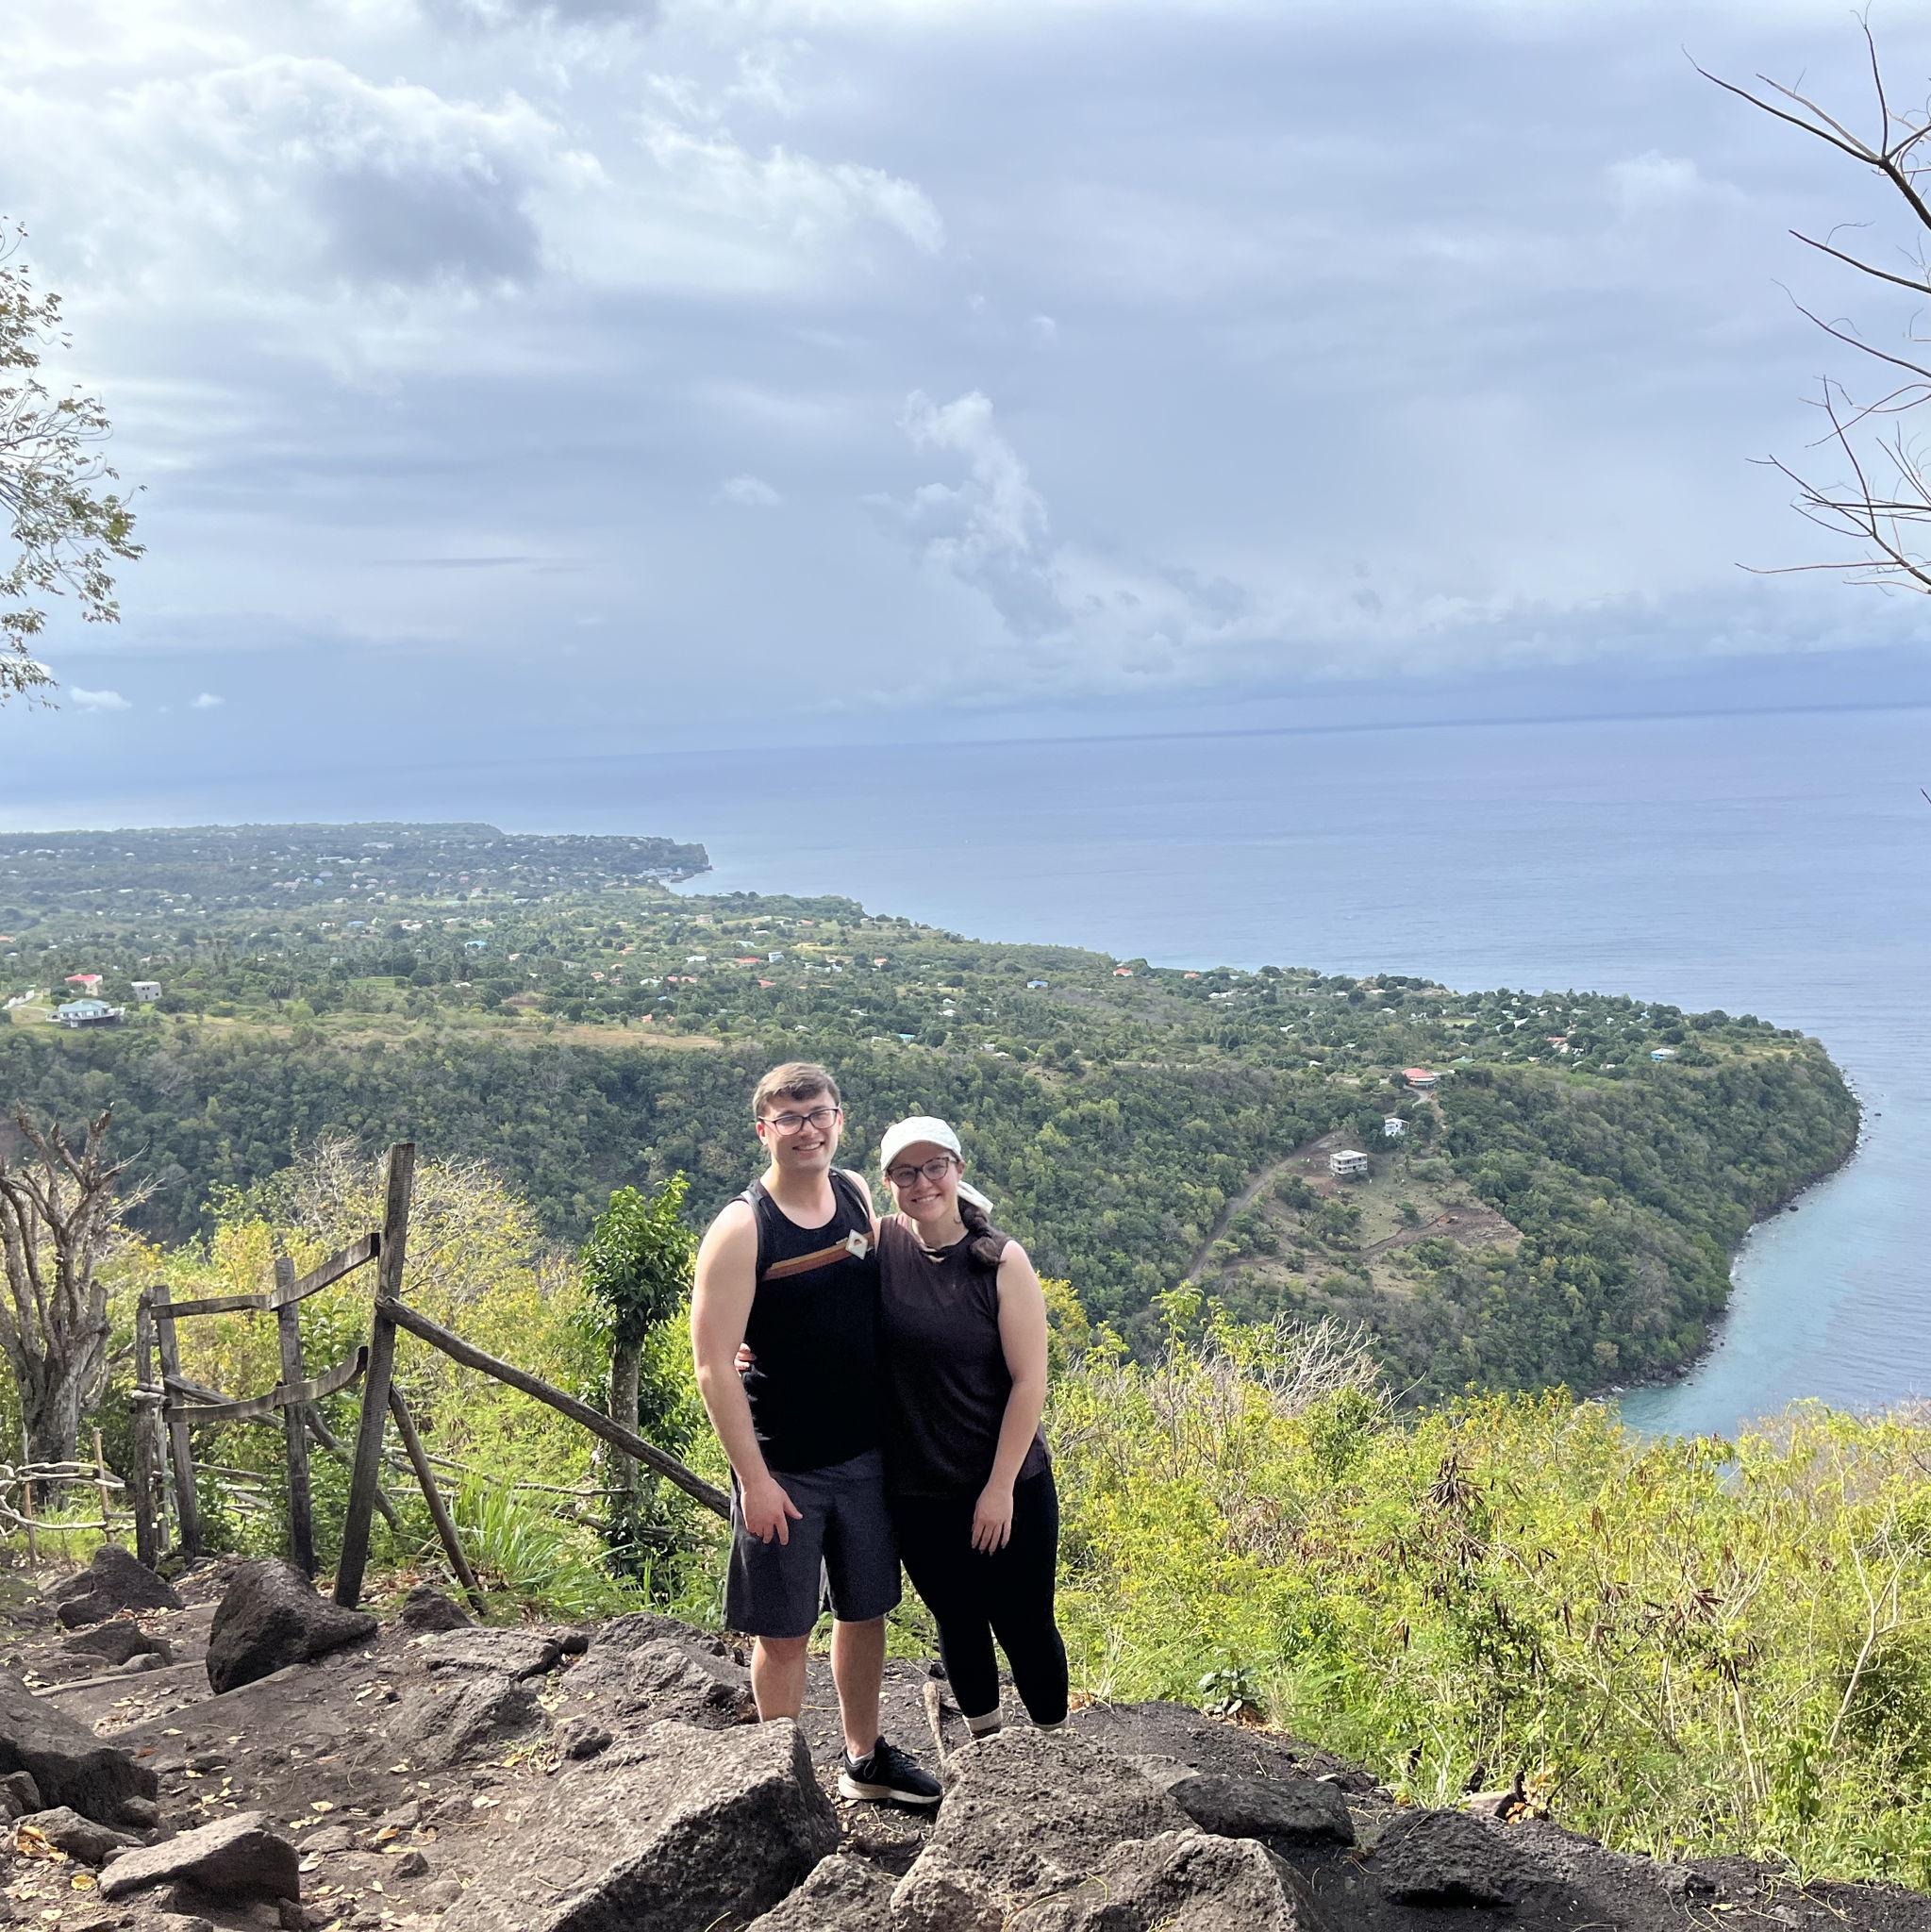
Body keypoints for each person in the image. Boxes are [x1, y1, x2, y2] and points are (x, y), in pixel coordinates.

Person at [691, 1062, 940, 1807]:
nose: (807, 1129)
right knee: (785, 1630)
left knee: (865, 1612)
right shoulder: (743, 1228)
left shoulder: (857, 1194)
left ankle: (863, 1759)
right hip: (784, 1467)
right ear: (764, 1130)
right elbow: (712, 1365)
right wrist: (754, 1481)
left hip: (864, 1454)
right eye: (789, 1118)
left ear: (840, 1118)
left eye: (818, 1113)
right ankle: (785, 1782)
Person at [874, 1114, 1069, 1738]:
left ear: (958, 1171)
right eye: (907, 1171)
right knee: (956, 1621)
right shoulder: (874, 1244)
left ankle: (1057, 1754)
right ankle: (986, 1755)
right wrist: (754, 1343)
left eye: (935, 1167)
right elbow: (810, 1280)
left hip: (1009, 1484)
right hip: (918, 1489)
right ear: (889, 1182)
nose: (922, 1181)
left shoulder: (999, 1261)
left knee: (1025, 1623)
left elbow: (1028, 1382)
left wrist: (998, 1488)